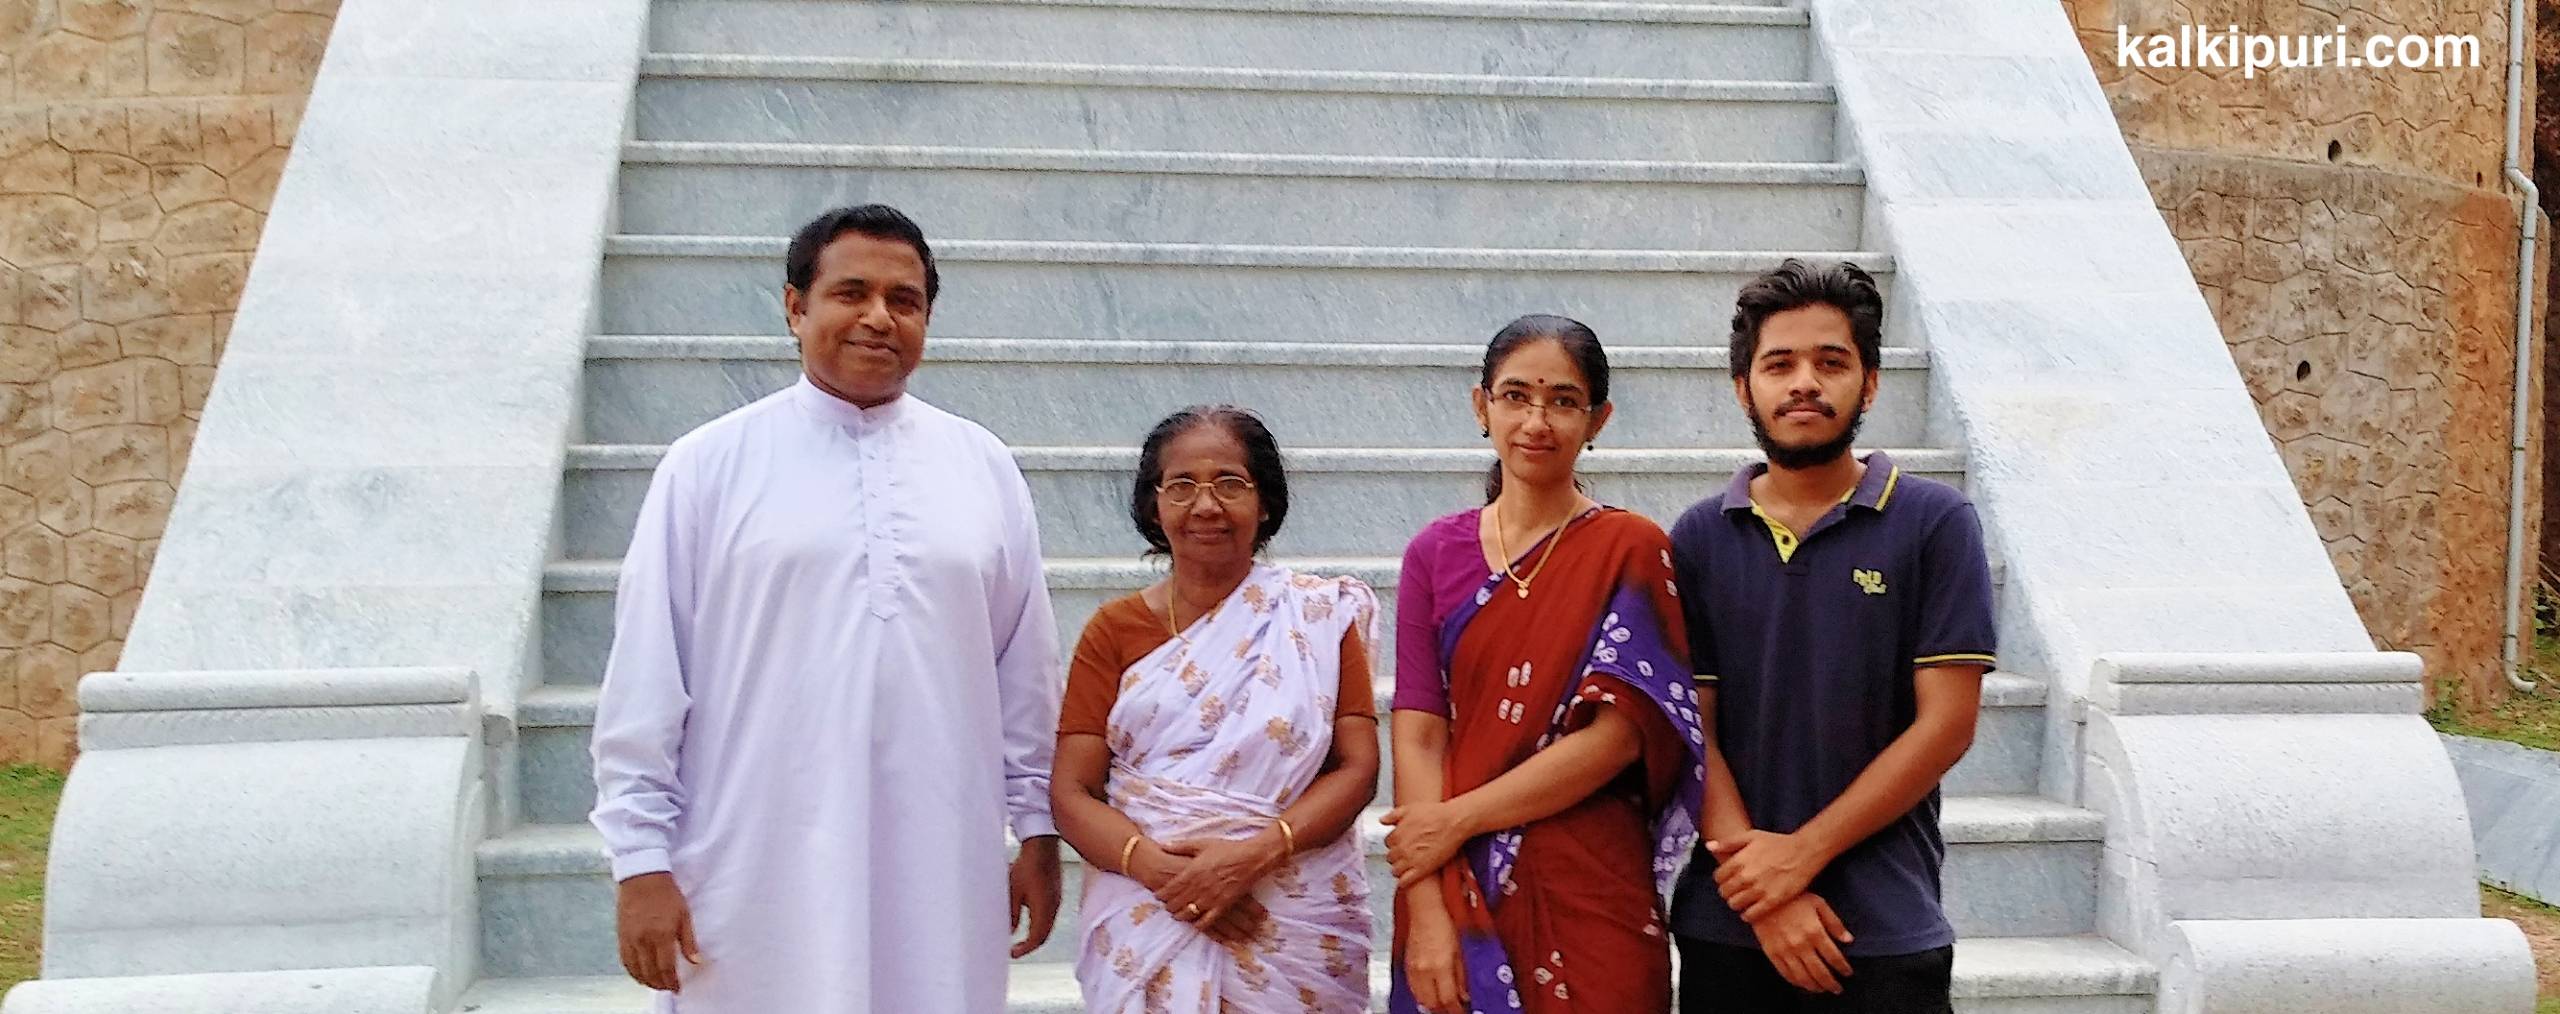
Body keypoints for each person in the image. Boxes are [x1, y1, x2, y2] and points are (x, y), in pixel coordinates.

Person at [588, 204, 1064, 1012]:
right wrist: (639, 862)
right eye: (852, 293)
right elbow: (645, 675)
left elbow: (1026, 672)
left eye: (904, 301)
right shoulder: (707, 467)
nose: (879, 318)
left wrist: (1040, 831)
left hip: (941, 863)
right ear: (795, 307)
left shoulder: (981, 466)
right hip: (750, 865)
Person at [1667, 259, 1996, 1014]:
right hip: (1731, 925)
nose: (1804, 382)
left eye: (1831, 362)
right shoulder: (1698, 539)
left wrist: (1801, 856)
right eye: (1779, 364)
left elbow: (1946, 725)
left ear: (1871, 382)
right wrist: (1766, 892)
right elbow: (1694, 732)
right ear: (1743, 388)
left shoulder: (1934, 524)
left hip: (1882, 926)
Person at [1384, 315, 1717, 1014]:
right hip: (1453, 881)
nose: (1537, 421)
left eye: (1563, 401)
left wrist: (1459, 818)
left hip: (1591, 886)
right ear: (1482, 406)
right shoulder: (1433, 554)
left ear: (1598, 417)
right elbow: (1419, 731)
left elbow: (1618, 736)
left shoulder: (1631, 548)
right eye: (1515, 396)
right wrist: (1427, 904)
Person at [1050, 405, 1382, 1012]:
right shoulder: (1113, 630)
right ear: (1154, 505)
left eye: (1230, 484)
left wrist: (1253, 857)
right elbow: (1072, 790)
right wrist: (1164, 875)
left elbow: (1357, 767)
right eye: (1181, 487)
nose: (1206, 506)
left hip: (1289, 915)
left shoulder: (1317, 620)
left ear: (1265, 504)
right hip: (1147, 911)